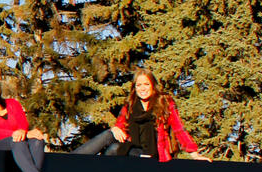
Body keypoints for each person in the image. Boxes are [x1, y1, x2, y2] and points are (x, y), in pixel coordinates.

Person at [73, 68, 211, 162]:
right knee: (110, 137)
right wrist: (115, 128)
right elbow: (120, 127)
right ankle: (69, 161)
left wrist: (195, 154)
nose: (142, 88)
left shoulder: (165, 102)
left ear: (152, 86)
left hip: (153, 154)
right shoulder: (131, 104)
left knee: (114, 149)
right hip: (132, 148)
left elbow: (179, 129)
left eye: (146, 84)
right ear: (135, 87)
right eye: (139, 85)